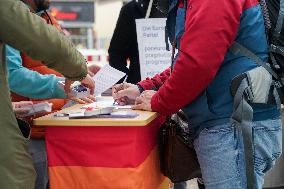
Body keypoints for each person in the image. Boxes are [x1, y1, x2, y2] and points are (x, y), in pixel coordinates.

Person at [113, 0, 282, 188]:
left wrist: (159, 100)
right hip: (231, 121)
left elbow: (198, 64)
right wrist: (144, 88)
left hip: (232, 125)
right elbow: (193, 59)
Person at [0, 0, 95, 188]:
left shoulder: (47, 16)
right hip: (33, 128)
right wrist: (68, 81)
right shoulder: (12, 14)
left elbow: (58, 57)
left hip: (53, 126)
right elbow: (13, 74)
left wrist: (80, 71)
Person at [108, 0, 165, 84]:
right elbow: (116, 55)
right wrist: (127, 84)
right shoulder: (132, 10)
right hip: (140, 90)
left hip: (178, 87)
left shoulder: (186, 8)